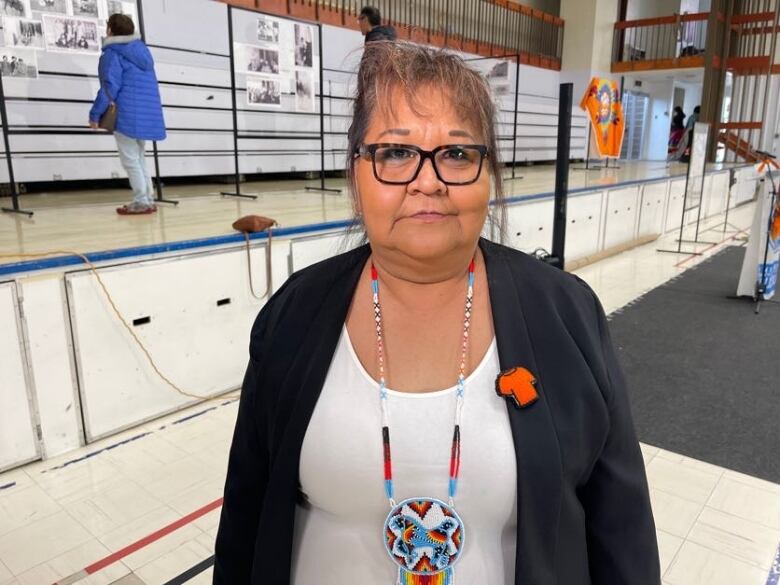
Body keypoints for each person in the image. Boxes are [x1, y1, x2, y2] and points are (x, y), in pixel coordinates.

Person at [213, 42, 659, 585]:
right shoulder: (292, 317)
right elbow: (245, 515)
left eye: (456, 154)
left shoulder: (567, 314)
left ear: (488, 175)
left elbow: (621, 529)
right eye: (396, 153)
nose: (429, 181)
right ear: (356, 175)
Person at [88, 14, 166, 215]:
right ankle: (147, 199)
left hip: (126, 115)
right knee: (139, 157)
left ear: (110, 30)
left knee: (131, 159)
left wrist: (95, 115)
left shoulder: (113, 54)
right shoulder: (142, 52)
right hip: (144, 115)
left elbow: (109, 88)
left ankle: (142, 201)